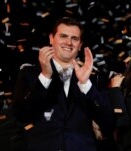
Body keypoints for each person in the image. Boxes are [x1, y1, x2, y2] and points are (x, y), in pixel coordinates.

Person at [12, 17, 114, 151]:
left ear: (80, 45)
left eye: (75, 39)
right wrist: (45, 76)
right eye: (63, 36)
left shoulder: (93, 78)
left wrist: (85, 85)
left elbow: (108, 121)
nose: (69, 42)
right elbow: (21, 114)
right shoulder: (30, 73)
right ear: (51, 39)